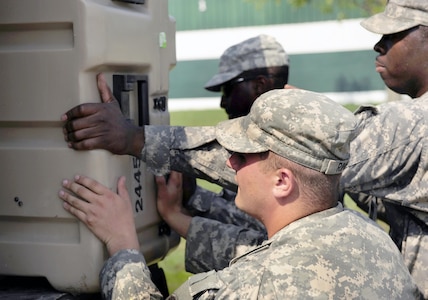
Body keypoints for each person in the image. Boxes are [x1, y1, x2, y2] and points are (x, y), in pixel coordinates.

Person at [59, 89, 421, 299]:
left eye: (241, 155)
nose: (229, 164)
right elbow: (264, 250)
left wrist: (123, 248)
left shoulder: (259, 286)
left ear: (283, 181)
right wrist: (180, 220)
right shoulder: (369, 238)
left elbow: (266, 269)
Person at [175, 34, 289, 273]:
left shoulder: (287, 144)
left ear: (259, 85)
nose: (223, 102)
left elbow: (257, 243)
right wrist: (192, 196)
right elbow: (244, 218)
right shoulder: (257, 140)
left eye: (228, 89)